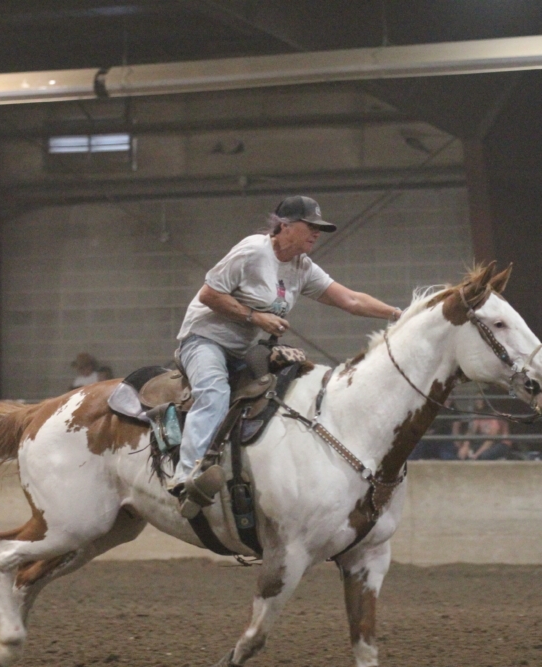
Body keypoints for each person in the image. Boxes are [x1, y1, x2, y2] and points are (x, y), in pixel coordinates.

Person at [171, 196, 403, 511]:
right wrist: (256, 317)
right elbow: (209, 294)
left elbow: (350, 300)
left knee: (287, 394)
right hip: (204, 340)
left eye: (319, 228)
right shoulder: (254, 251)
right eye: (311, 226)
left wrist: (398, 314)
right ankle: (187, 476)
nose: (317, 233)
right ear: (285, 226)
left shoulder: (301, 267)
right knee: (213, 391)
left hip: (244, 350)